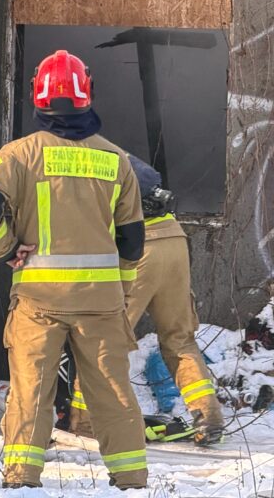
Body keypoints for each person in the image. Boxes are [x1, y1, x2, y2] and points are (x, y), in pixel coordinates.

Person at [0, 49, 147, 490]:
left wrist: (5, 249)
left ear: (38, 98)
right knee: (113, 394)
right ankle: (132, 480)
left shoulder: (20, 155)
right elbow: (133, 240)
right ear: (88, 96)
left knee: (31, 390)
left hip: (39, 301)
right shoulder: (115, 160)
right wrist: (120, 292)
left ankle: (22, 477)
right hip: (100, 303)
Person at [67, 154, 224, 445]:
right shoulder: (119, 157)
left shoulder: (79, 166)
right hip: (173, 240)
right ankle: (209, 416)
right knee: (179, 338)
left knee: (101, 340)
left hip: (141, 247)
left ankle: (84, 424)